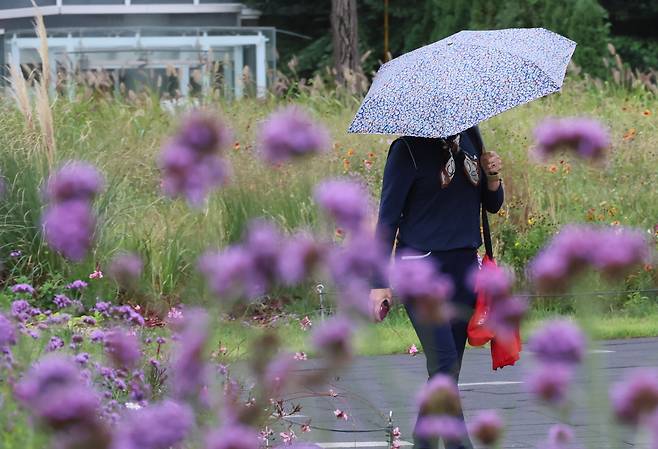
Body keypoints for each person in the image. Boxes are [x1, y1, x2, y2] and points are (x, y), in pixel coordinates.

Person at [369, 126, 504, 449]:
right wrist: (378, 283)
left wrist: (493, 177)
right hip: (420, 272)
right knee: (443, 364)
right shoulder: (407, 149)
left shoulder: (472, 137)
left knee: (447, 371)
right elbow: (387, 219)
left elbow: (492, 204)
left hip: (463, 271)